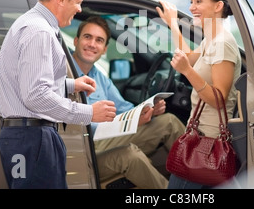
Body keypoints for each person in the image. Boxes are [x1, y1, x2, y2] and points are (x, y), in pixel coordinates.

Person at [0, 0, 117, 189]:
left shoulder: (32, 24)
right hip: (33, 140)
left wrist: (71, 84)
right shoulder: (39, 32)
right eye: (78, 2)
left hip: (27, 138)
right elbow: (35, 95)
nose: (80, 8)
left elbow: (28, 81)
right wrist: (89, 113)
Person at [71, 15, 186, 189]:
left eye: (99, 40)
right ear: (76, 41)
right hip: (81, 149)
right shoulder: (64, 73)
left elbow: (125, 109)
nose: (92, 44)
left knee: (168, 122)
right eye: (88, 37)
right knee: (131, 154)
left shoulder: (99, 77)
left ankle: (201, 177)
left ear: (104, 49)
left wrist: (146, 111)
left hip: (106, 138)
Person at [156, 0, 241, 189]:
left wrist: (187, 71)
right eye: (191, 1)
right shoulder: (211, 40)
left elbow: (219, 100)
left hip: (208, 143)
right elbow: (189, 57)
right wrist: (173, 24)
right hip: (202, 137)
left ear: (218, 6)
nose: (192, 7)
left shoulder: (223, 44)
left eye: (199, 1)